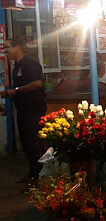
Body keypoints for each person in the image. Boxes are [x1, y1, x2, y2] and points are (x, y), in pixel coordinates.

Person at [1, 38, 47, 187]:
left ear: (18, 47)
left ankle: (40, 179)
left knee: (35, 145)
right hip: (23, 111)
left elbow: (38, 83)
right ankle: (33, 174)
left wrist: (15, 90)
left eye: (7, 47)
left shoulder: (30, 64)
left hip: (33, 111)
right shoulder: (17, 67)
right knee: (27, 144)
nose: (5, 50)